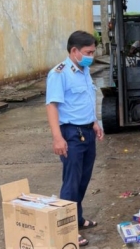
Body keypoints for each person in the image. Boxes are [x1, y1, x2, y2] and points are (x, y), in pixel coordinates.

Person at [46, 30, 104, 247]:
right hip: (71, 134)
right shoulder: (59, 74)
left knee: (83, 179)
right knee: (71, 183)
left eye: (93, 51)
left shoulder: (85, 69)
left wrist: (95, 122)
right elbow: (52, 106)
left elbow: (87, 98)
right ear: (74, 51)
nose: (91, 55)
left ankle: (77, 219)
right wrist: (57, 138)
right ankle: (66, 230)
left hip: (87, 131)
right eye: (88, 52)